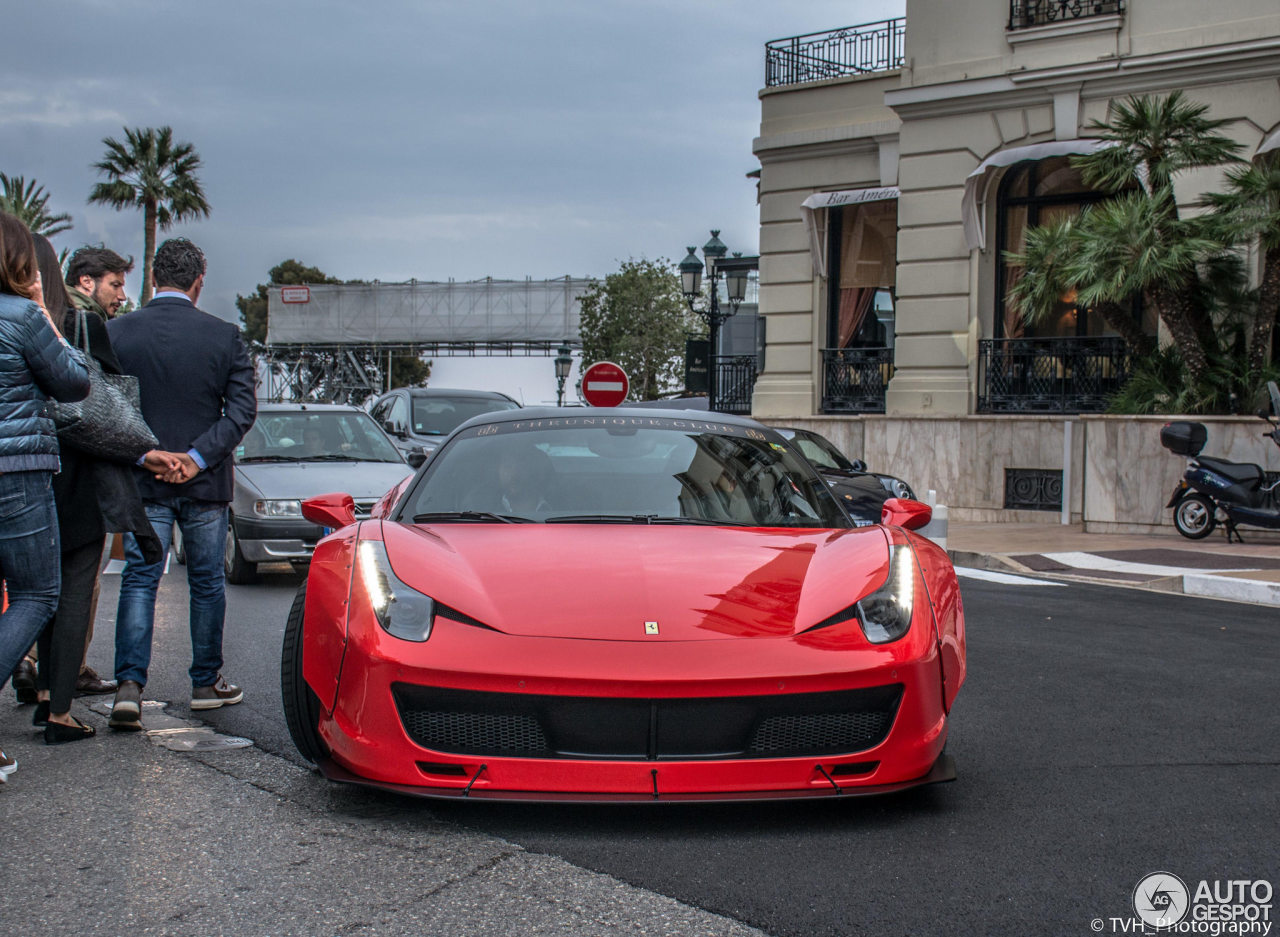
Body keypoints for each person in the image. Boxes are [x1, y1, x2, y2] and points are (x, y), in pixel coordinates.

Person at [31, 234, 179, 743]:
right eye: (116, 284)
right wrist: (143, 447)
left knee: (40, 590)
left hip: (37, 474)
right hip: (81, 473)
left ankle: (45, 692)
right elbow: (102, 406)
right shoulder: (81, 323)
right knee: (74, 590)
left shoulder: (31, 322)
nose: (121, 296)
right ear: (83, 281)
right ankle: (59, 709)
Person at [106, 238, 256, 729]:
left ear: (153, 278)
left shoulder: (117, 333)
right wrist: (195, 458)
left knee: (140, 579)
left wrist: (147, 453)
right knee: (207, 582)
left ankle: (129, 686)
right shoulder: (224, 336)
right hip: (205, 483)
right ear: (198, 283)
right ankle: (205, 682)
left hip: (142, 478)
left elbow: (106, 410)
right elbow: (241, 412)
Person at [0, 211, 91, 778]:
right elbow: (75, 382)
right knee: (36, 594)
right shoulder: (24, 316)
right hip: (16, 474)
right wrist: (45, 315)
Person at [65, 246, 132, 319]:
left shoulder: (63, 316)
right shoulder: (78, 323)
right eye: (115, 286)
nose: (122, 297)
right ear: (87, 282)